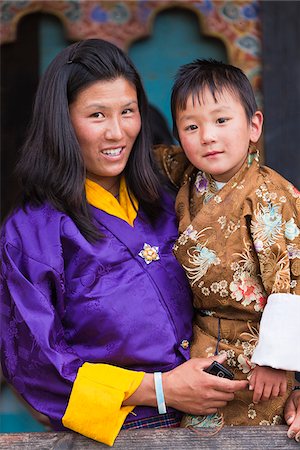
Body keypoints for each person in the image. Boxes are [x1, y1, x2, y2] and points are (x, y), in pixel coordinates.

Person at [0, 40, 250, 446]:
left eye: (127, 112)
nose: (118, 132)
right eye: (96, 115)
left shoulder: (173, 196)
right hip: (125, 432)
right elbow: (36, 366)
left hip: (226, 419)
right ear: (61, 122)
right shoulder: (32, 233)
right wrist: (160, 389)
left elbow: (260, 286)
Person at [155, 59, 300, 430]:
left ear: (254, 126)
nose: (207, 136)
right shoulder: (190, 177)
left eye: (221, 120)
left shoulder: (268, 194)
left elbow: (291, 281)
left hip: (260, 355)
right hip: (204, 345)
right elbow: (148, 159)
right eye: (191, 126)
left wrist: (277, 360)